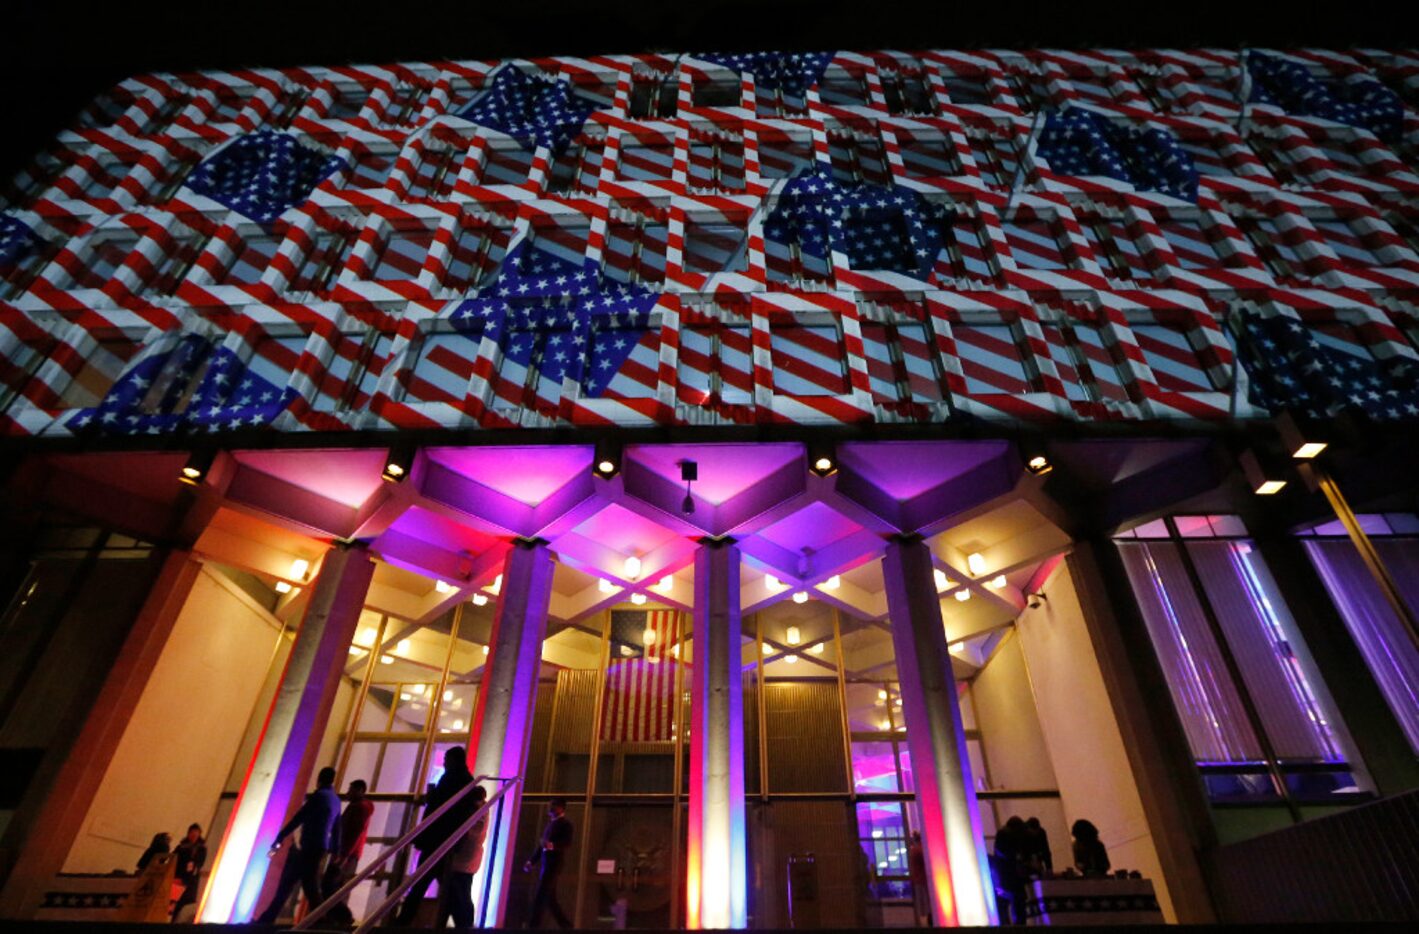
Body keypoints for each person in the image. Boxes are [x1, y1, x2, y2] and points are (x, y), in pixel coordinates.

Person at [394, 747, 476, 926]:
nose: (444, 762)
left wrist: (432, 798)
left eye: (446, 759)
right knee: (440, 883)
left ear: (454, 760)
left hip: (438, 838)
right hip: (444, 839)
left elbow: (443, 807)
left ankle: (403, 921)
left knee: (424, 881)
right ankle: (463, 922)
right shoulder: (464, 780)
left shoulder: (453, 780)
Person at [254, 766, 343, 925]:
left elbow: (299, 818)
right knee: (308, 886)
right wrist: (336, 850)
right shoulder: (336, 800)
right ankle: (320, 920)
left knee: (292, 884)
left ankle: (268, 919)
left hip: (309, 846)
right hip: (321, 847)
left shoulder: (318, 796)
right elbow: (337, 827)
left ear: (319, 779)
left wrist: (280, 836)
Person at [320, 779, 374, 927]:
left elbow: (355, 832)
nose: (348, 793)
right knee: (335, 886)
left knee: (330, 885)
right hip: (346, 853)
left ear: (360, 790)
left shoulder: (359, 808)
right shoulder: (359, 807)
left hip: (345, 854)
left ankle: (343, 917)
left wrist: (343, 856)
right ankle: (336, 918)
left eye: (351, 790)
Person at [439, 784, 488, 930]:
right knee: (459, 890)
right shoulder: (483, 811)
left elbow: (469, 834)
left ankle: (462, 923)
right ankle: (458, 922)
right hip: (469, 858)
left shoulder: (475, 812)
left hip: (463, 857)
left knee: (458, 891)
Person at [523, 798, 573, 929]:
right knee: (550, 899)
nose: (550, 808)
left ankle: (533, 927)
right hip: (548, 864)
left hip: (554, 865)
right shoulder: (551, 824)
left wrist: (551, 845)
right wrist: (531, 861)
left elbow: (567, 843)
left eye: (553, 806)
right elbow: (541, 847)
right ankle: (567, 926)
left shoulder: (566, 825)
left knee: (541, 895)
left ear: (562, 808)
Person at [992, 817, 1028, 925]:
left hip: (1004, 873)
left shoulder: (1003, 834)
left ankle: (1005, 923)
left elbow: (1000, 852)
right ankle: (1018, 923)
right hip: (1010, 874)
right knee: (1017, 899)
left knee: (1005, 901)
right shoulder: (1008, 836)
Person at [170, 823, 207, 920]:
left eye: (196, 833)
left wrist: (194, 866)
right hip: (179, 878)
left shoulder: (201, 848)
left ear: (199, 834)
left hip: (191, 880)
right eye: (192, 833)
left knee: (185, 903)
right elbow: (173, 858)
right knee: (175, 902)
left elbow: (200, 862)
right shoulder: (182, 846)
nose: (193, 836)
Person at [907, 831, 931, 927]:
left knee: (922, 906)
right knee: (925, 905)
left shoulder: (914, 851)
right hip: (923, 881)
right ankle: (927, 923)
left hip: (918, 881)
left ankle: (924, 923)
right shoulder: (919, 850)